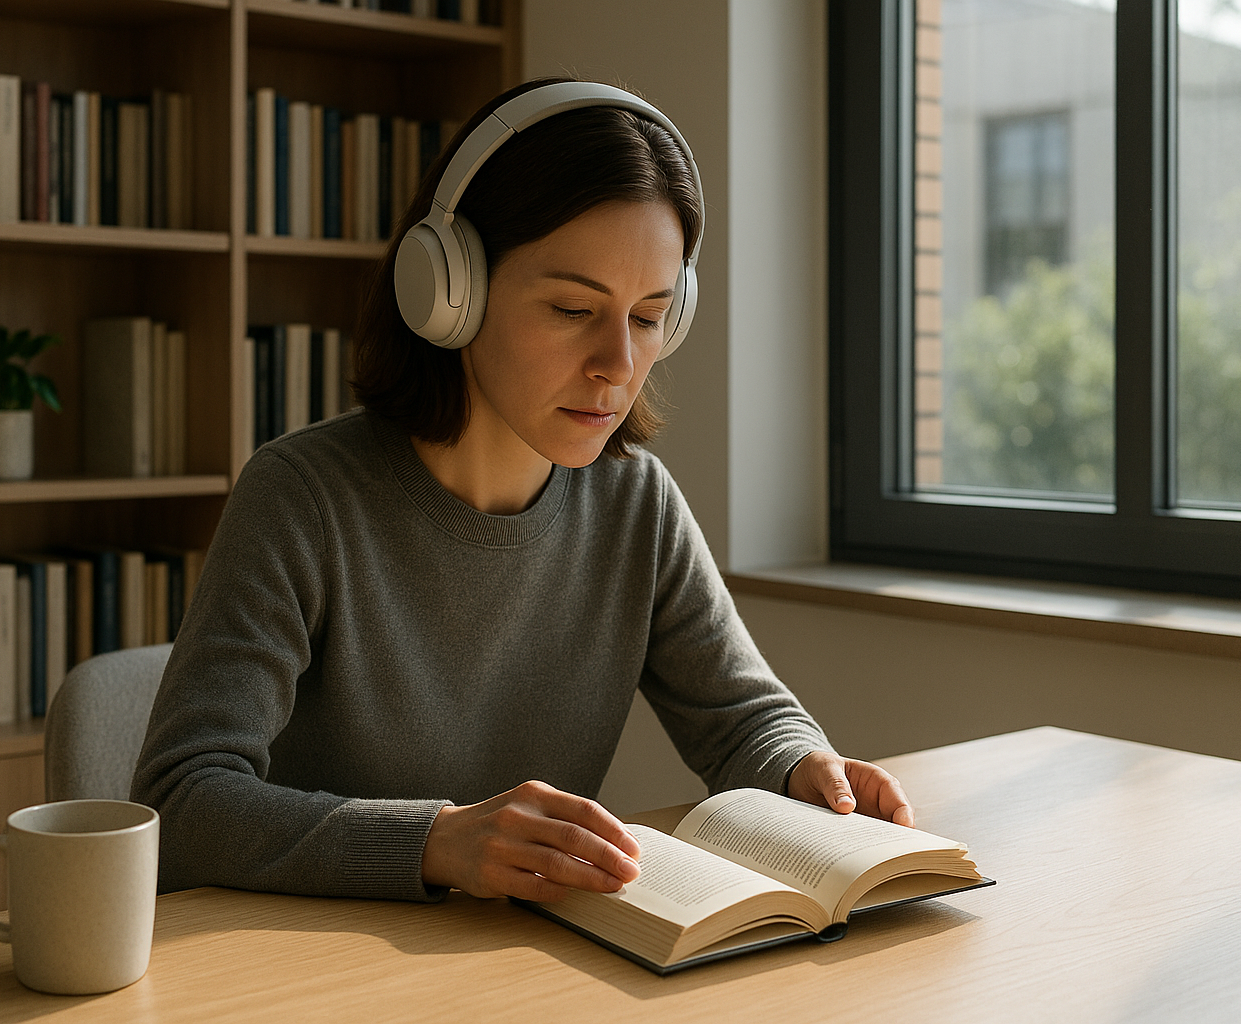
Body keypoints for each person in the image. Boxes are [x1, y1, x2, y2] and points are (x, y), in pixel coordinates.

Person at [130, 78, 914, 905]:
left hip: (525, 962)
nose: (618, 363)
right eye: (575, 308)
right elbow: (181, 802)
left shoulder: (634, 504)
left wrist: (805, 767)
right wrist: (435, 841)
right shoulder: (303, 500)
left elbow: (746, 719)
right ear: (449, 292)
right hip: (317, 966)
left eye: (648, 317)